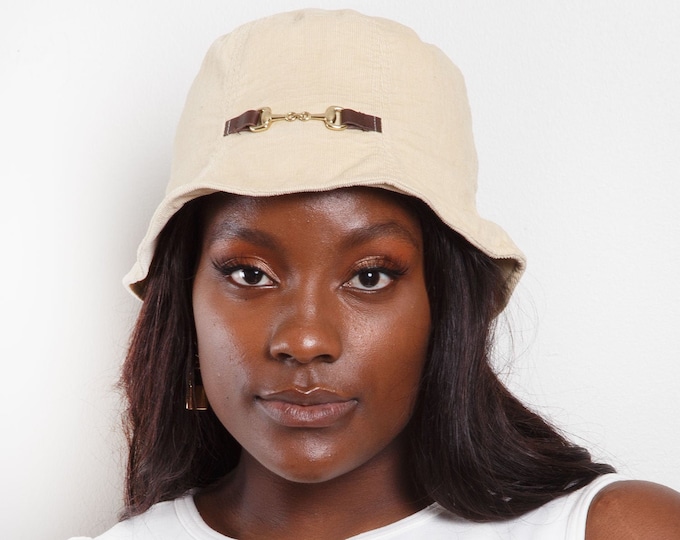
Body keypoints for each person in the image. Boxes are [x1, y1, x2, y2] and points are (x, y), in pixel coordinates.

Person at [71, 9, 680, 540]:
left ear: (446, 303)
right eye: (250, 275)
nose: (304, 340)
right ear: (184, 303)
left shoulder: (616, 529)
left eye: (370, 277)